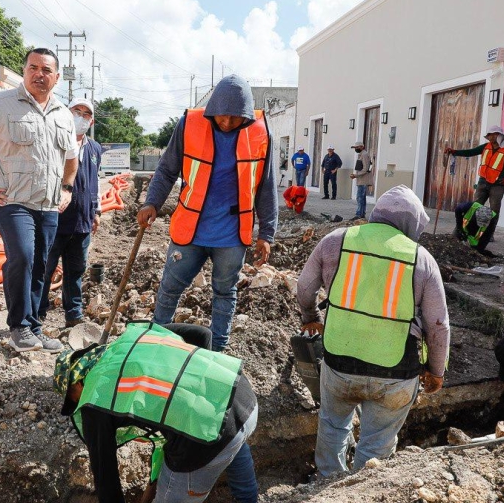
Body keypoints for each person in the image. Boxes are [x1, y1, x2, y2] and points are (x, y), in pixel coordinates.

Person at [297, 185, 450, 477]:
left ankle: (327, 483)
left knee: (333, 426)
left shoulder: (335, 240)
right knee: (375, 445)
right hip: (395, 374)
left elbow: (304, 288)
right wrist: (436, 370)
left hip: (338, 362)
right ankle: (361, 489)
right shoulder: (421, 259)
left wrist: (311, 316)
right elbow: (438, 326)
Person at [136, 74, 278, 352]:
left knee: (225, 293)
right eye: (221, 116)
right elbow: (167, 169)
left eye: (235, 118)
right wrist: (151, 202)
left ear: (247, 116)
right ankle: (155, 344)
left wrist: (267, 233)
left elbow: (265, 184)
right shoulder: (189, 124)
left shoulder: (261, 132)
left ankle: (218, 352)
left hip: (232, 234)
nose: (226, 123)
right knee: (169, 289)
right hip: (190, 230)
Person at [0, 48, 78, 353]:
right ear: (23, 71)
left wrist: (67, 189)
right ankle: (19, 327)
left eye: (46, 70)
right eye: (33, 67)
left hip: (48, 204)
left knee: (40, 264)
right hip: (11, 202)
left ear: (57, 77)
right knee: (22, 255)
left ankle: (34, 326)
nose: (39, 74)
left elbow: (72, 159)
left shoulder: (63, 114)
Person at [54, 322, 259, 503]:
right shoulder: (136, 337)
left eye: (72, 397)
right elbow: (202, 333)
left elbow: (105, 476)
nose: (76, 403)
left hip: (207, 438)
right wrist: (196, 388)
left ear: (78, 381)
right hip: (241, 394)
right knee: (231, 438)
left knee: (217, 439)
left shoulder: (94, 398)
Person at [39, 97, 102, 327]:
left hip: (83, 223)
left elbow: (95, 183)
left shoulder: (94, 149)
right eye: (77, 111)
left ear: (91, 121)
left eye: (86, 114)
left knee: (75, 271)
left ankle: (73, 314)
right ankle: (38, 313)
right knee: (44, 270)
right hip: (55, 220)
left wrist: (96, 212)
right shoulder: (55, 142)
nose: (82, 117)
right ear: (67, 113)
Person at [445, 125, 504, 242]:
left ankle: (489, 234)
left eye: (493, 134)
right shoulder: (486, 147)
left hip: (498, 184)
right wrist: (455, 152)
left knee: (493, 211)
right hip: (483, 182)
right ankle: (463, 231)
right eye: (489, 135)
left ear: (499, 136)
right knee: (474, 207)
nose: (490, 137)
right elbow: (471, 152)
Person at [349, 141, 373, 220]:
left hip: (363, 180)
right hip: (361, 180)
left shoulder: (364, 155)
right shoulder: (361, 154)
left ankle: (359, 214)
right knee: (362, 198)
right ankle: (361, 214)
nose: (356, 149)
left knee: (360, 197)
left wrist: (355, 175)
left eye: (357, 147)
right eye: (355, 148)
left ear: (362, 147)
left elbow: (365, 169)